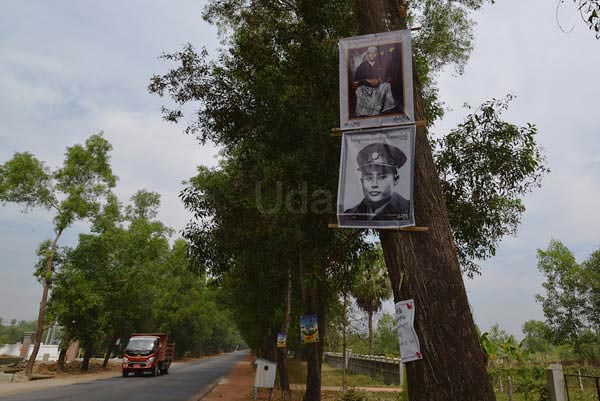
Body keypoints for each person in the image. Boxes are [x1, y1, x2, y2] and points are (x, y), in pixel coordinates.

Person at [344, 142, 410, 221]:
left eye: (382, 177)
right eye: (368, 178)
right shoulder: (351, 214)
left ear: (396, 180)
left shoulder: (408, 210)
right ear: (362, 181)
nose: (374, 184)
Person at [353, 46, 397, 116]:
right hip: (365, 89)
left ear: (376, 54)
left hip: (379, 87)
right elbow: (355, 82)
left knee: (387, 85)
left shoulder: (382, 65)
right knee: (359, 89)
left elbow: (389, 77)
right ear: (367, 55)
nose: (372, 55)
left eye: (374, 53)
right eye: (370, 53)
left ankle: (387, 109)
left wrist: (381, 80)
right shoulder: (362, 66)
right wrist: (367, 81)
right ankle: (363, 113)